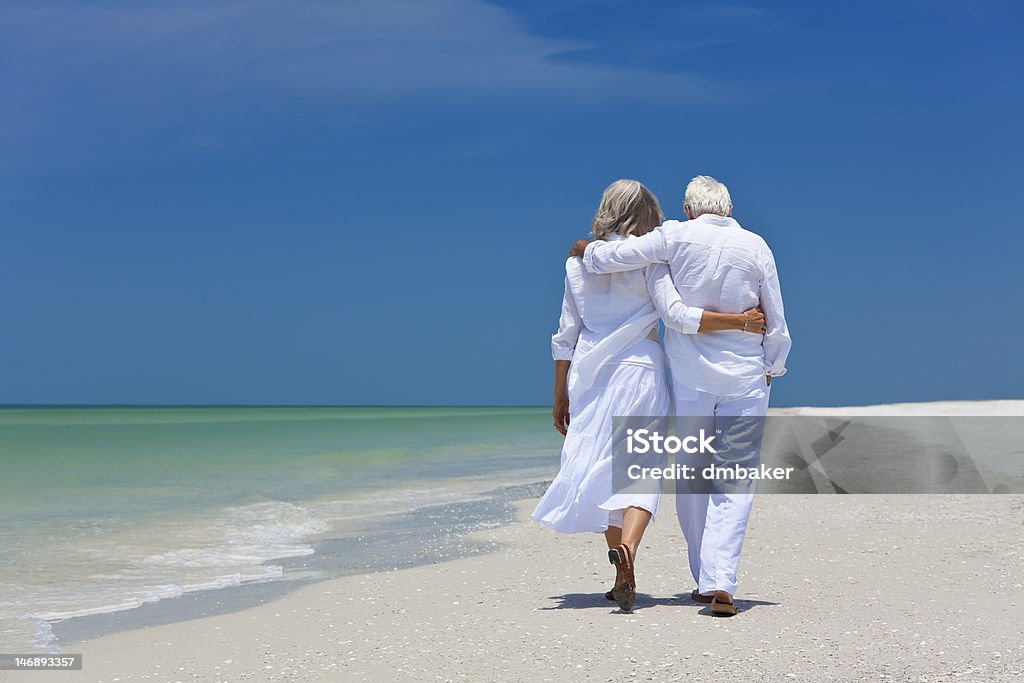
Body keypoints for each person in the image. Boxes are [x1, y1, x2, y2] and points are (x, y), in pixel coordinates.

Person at [533, 179, 766, 612]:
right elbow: (676, 315)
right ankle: (630, 552)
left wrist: (559, 392)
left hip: (590, 375)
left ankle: (619, 564)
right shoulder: (654, 263)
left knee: (601, 468)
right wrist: (740, 321)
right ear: (650, 215)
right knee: (637, 468)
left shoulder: (576, 266)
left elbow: (565, 336)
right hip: (641, 370)